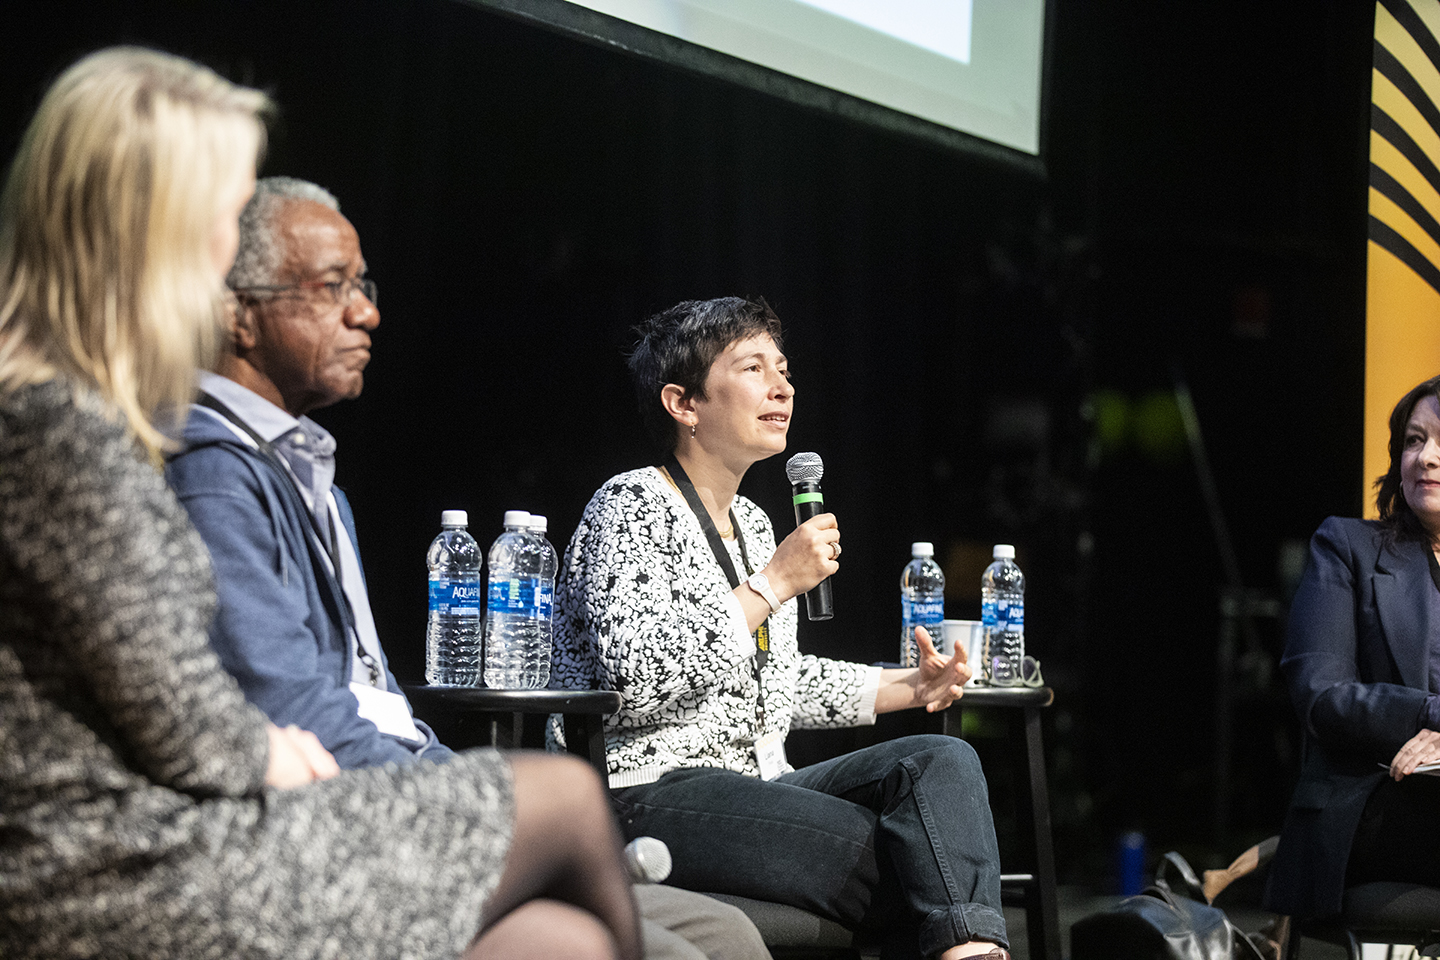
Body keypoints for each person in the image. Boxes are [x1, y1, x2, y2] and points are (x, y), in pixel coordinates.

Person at [0, 48, 640, 960]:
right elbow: (183, 718)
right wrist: (271, 752)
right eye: (224, 216)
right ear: (156, 226)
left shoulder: (68, 412)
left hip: (152, 834)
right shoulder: (55, 421)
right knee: (565, 796)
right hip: (109, 863)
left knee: (558, 939)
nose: (228, 254)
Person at [163, 175, 771, 960]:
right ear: (235, 312)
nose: (367, 311)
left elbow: (372, 688)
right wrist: (455, 797)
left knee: (726, 932)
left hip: (397, 779)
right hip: (324, 822)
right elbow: (284, 701)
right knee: (604, 872)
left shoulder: (317, 484)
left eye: (365, 285)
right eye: (330, 288)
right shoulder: (212, 473)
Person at [551, 297, 1011, 960]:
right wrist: (770, 586)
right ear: (683, 404)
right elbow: (636, 677)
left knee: (941, 760)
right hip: (647, 792)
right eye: (753, 367)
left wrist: (908, 686)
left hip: (757, 784)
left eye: (785, 369)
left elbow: (777, 683)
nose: (782, 386)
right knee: (916, 862)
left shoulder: (756, 525)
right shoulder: (631, 505)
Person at [1267, 372, 1440, 920]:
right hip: (1375, 802)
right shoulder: (1347, 548)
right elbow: (1322, 695)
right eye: (1414, 440)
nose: (1426, 457)